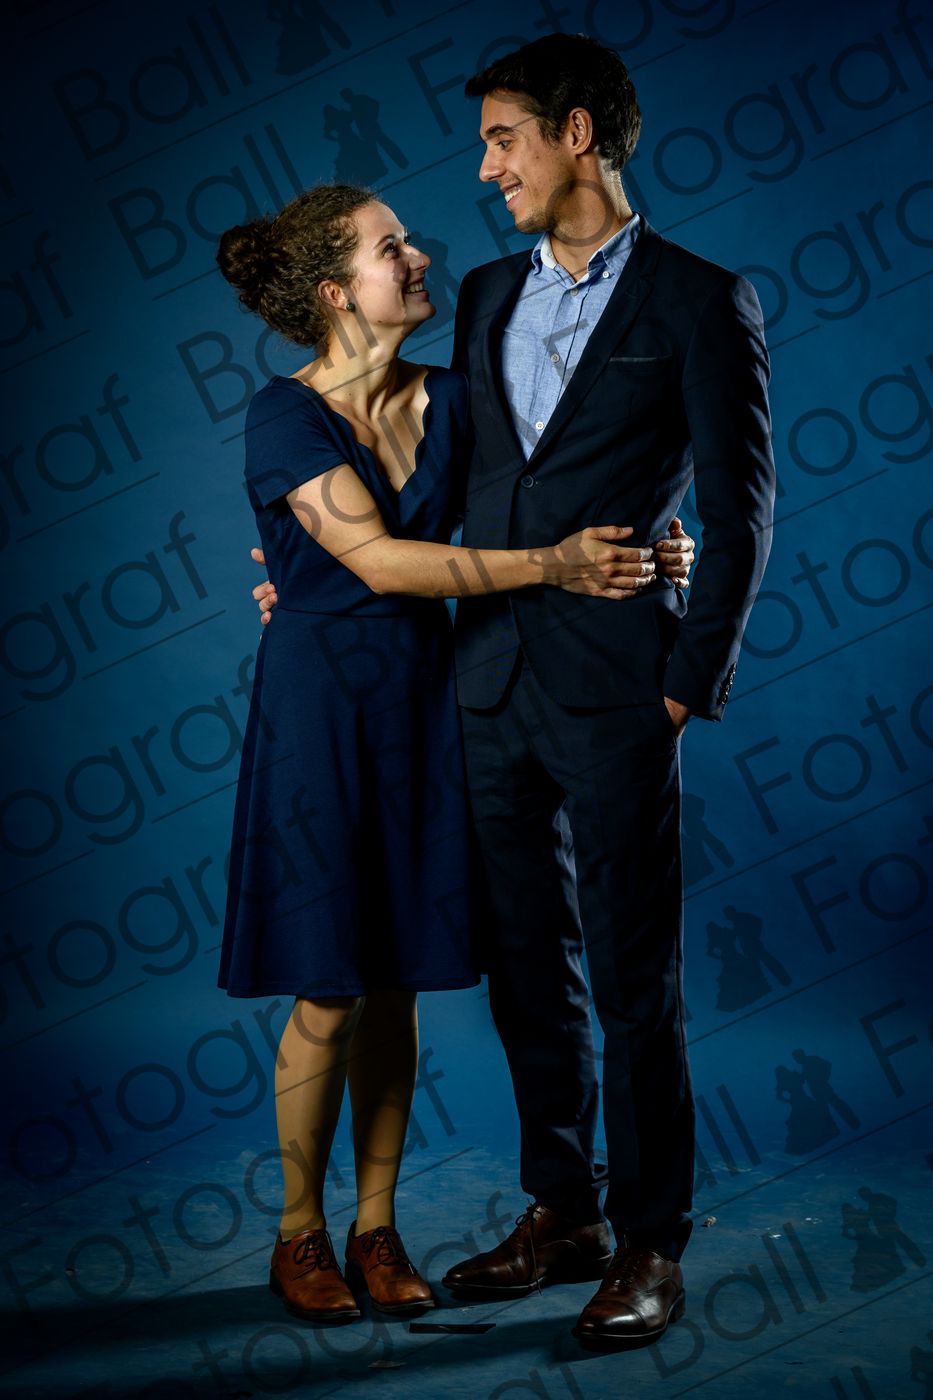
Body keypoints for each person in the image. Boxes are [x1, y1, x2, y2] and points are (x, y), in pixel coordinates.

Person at [254, 33, 774, 1348]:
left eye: (503, 139)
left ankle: (648, 1240)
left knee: (634, 972)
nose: (486, 169)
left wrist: (685, 675)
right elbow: (453, 489)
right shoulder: (484, 297)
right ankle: (565, 1211)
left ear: (575, 133)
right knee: (526, 969)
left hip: (619, 688)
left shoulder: (701, 301)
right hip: (479, 688)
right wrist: (306, 574)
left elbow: (740, 509)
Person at [217, 184, 694, 1325]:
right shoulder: (282, 414)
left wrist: (658, 541)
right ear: (337, 293)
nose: (419, 254)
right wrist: (554, 565)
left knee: (396, 980)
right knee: (328, 983)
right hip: (320, 711)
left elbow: (559, 480)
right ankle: (299, 1234)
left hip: (430, 698)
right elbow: (383, 562)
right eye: (391, 249)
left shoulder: (454, 395)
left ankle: (376, 1230)